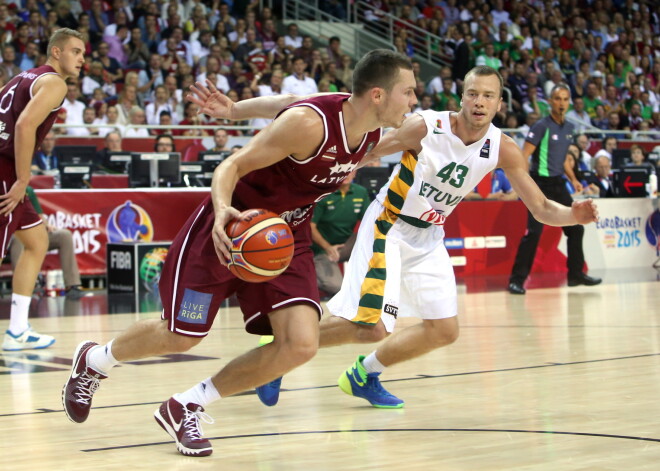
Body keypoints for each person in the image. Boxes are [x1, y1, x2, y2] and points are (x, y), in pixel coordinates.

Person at [62, 49, 417, 457]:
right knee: (181, 336)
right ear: (377, 94)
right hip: (233, 223)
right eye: (407, 92)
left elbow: (284, 101)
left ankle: (187, 405)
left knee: (301, 343)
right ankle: (95, 359)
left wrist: (234, 110)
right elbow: (231, 166)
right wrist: (218, 215)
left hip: (286, 234)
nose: (412, 101)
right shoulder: (310, 125)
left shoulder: (369, 128)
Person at [248, 66, 600, 411]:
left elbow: (539, 207)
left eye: (488, 96)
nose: (479, 102)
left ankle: (363, 375)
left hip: (429, 236)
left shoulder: (501, 147)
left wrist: (573, 215)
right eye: (473, 93)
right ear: (461, 98)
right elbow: (361, 153)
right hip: (389, 224)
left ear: (498, 104)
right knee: (371, 325)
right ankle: (282, 347)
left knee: (443, 330)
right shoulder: (425, 126)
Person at [0, 28, 85, 351]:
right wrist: (22, 179)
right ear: (56, 52)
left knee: (36, 242)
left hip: (5, 164)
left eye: (83, 54)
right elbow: (23, 126)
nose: (81, 59)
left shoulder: (23, 77)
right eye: (76, 52)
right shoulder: (54, 83)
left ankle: (18, 330)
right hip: (5, 170)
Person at [508, 84, 602, 295]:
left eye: (565, 99)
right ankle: (517, 280)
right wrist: (521, 184)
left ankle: (575, 275)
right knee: (534, 233)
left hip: (558, 183)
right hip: (539, 184)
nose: (561, 103)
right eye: (557, 99)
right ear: (550, 102)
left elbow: (562, 158)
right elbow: (523, 156)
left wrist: (573, 179)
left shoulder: (569, 128)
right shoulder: (541, 126)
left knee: (576, 228)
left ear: (569, 103)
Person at [9, 187, 87, 299]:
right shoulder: (4, 189)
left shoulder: (27, 190)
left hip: (31, 234)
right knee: (19, 237)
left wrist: (46, 225)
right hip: (10, 235)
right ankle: (23, 288)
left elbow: (39, 216)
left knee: (64, 235)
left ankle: (72, 285)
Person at [312, 171, 369, 297]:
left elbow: (369, 221)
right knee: (337, 287)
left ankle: (374, 282)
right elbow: (311, 227)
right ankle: (310, 277)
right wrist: (327, 247)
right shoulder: (324, 194)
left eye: (351, 170)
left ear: (355, 173)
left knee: (371, 234)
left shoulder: (361, 192)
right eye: (343, 171)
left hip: (347, 246)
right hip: (324, 249)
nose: (346, 174)